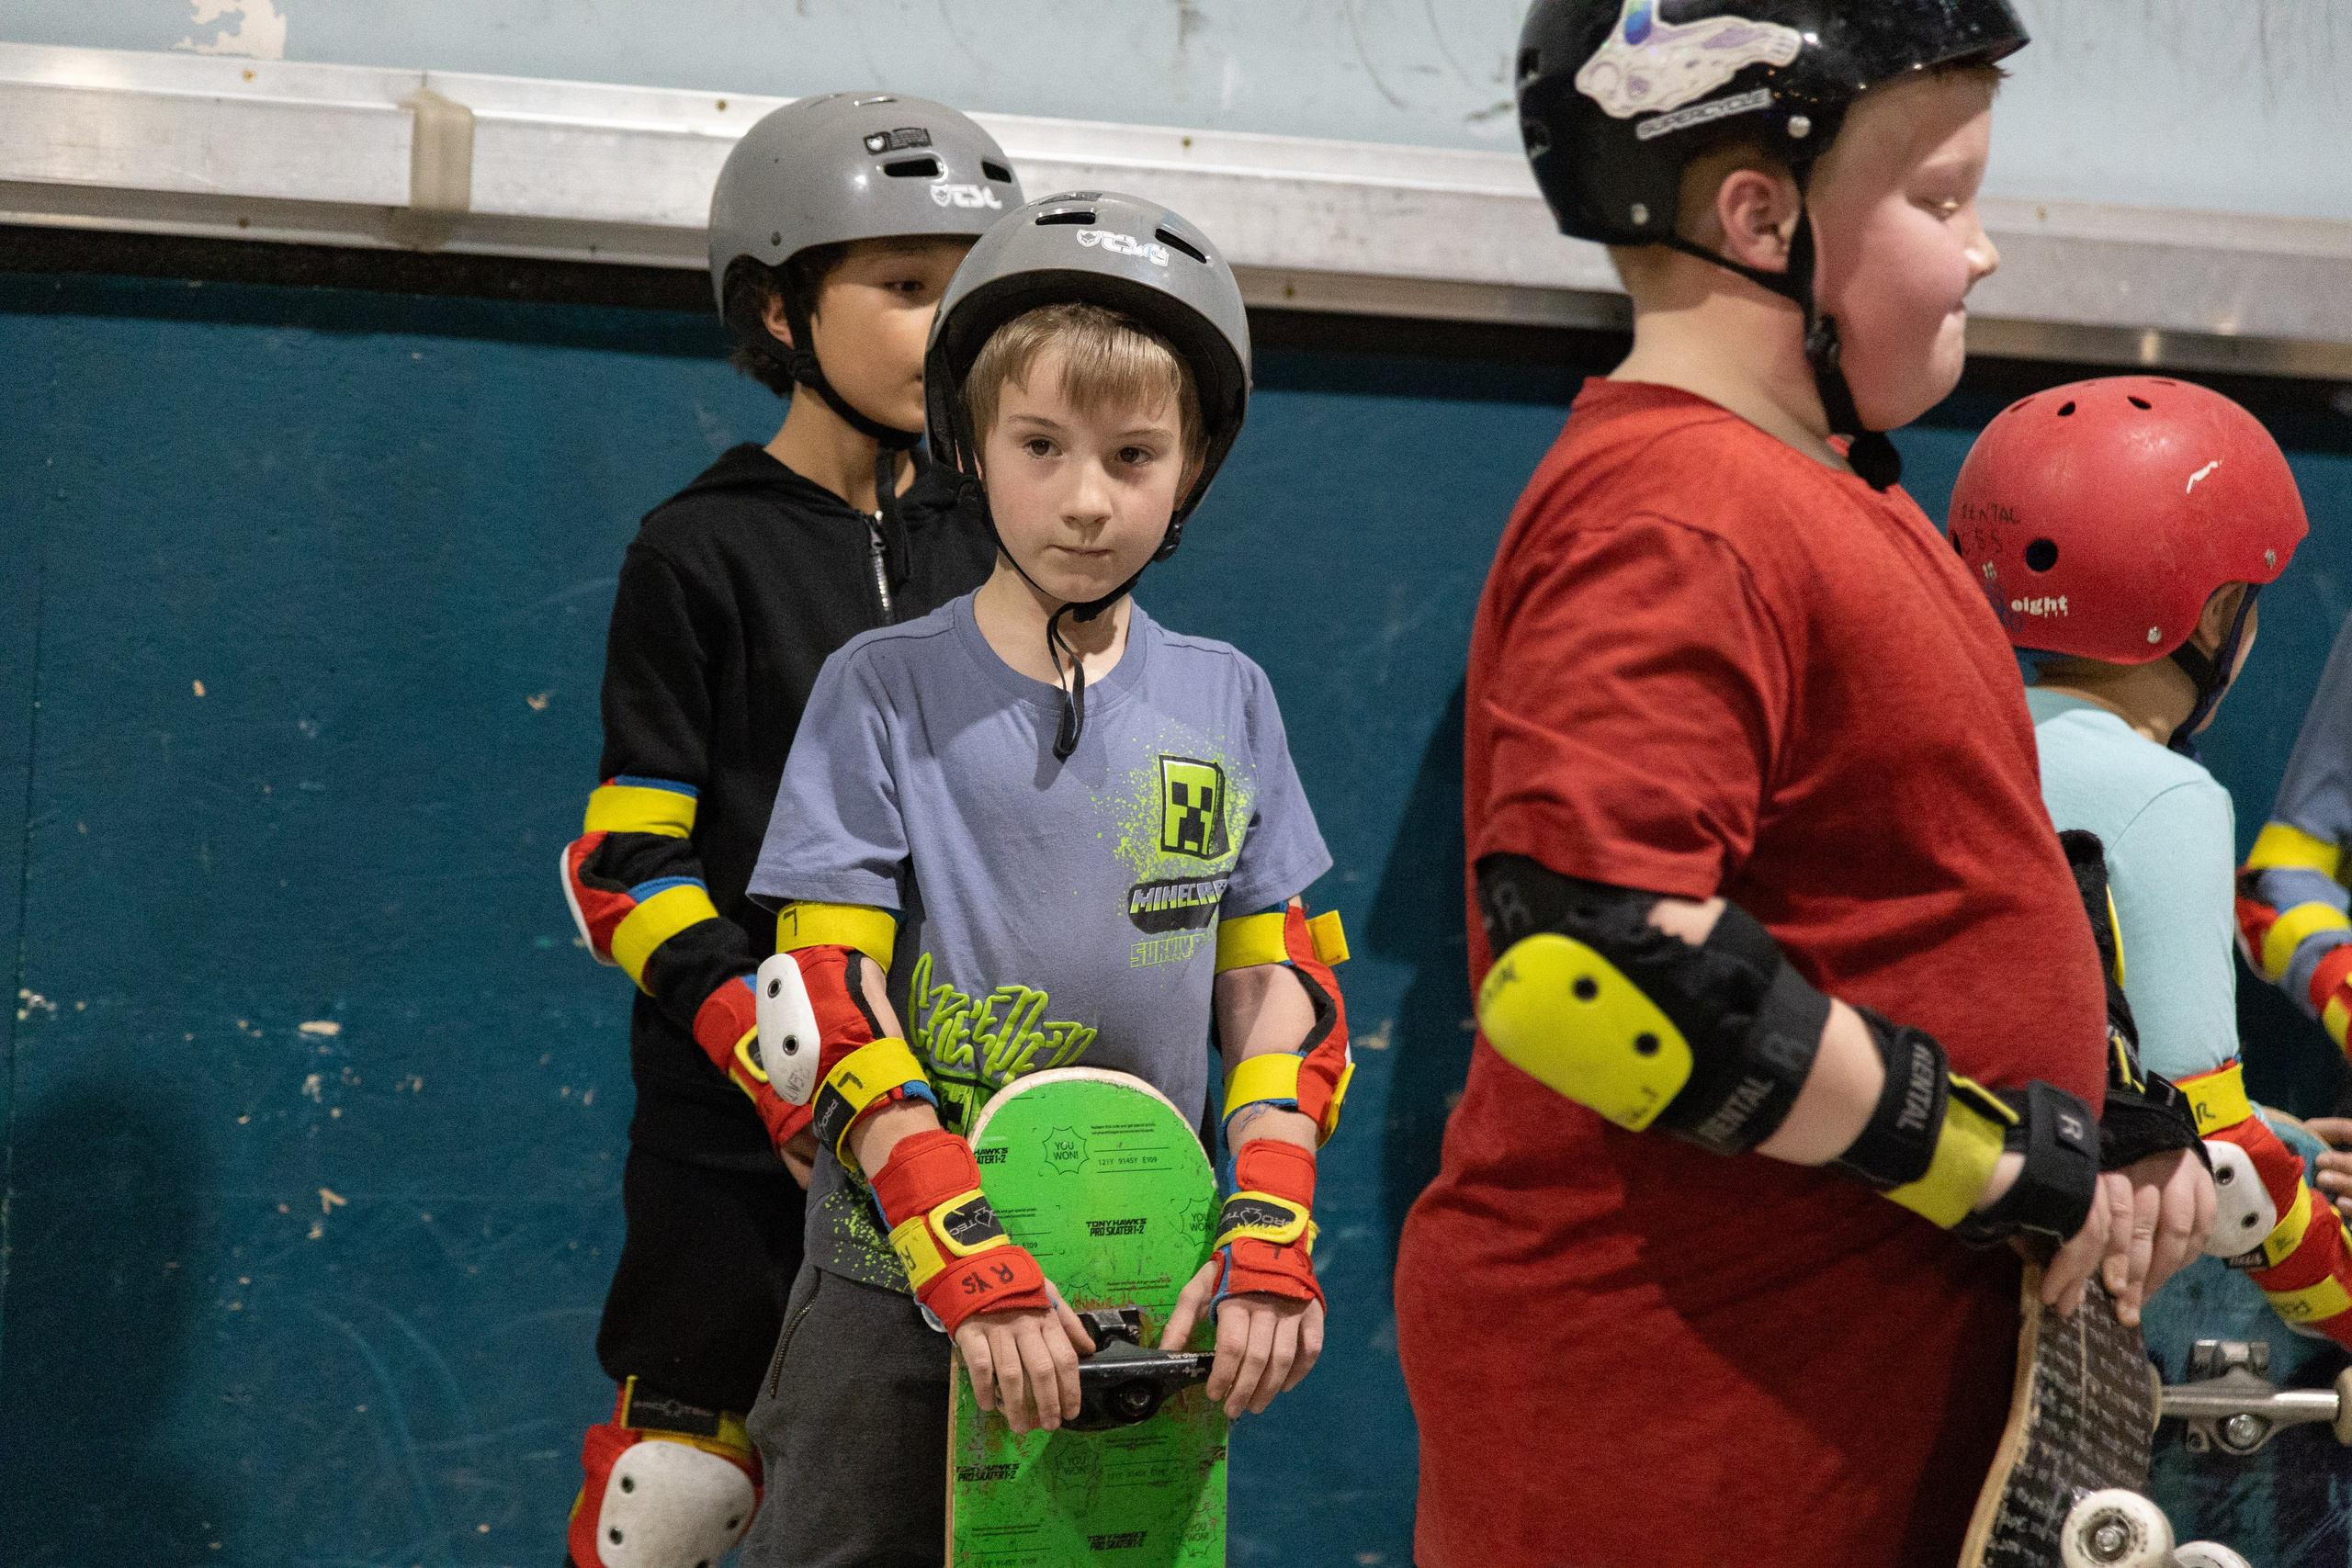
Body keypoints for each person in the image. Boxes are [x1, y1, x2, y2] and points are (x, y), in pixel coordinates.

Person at [1394, 5, 2211, 1566]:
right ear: (1757, 217)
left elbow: (1914, 881)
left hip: (1825, 1398)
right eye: (1944, 198)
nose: (1980, 255)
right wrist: (1996, 1162)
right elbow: (1590, 960)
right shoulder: (1679, 511)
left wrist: (2100, 1115)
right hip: (1668, 1424)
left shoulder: (1839, 493)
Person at [717, 190, 1352, 1567]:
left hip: (1136, 1283)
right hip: (896, 1283)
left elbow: (1284, 995)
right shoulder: (880, 690)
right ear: (971, 445)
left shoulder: (1228, 699)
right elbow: (828, 997)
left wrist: (1272, 1226)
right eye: (1040, 445)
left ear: (1194, 465)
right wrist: (964, 1254)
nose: (1084, 495)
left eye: (1134, 453)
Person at [555, 94, 1020, 1568]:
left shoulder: (1004, 541)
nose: (943, 326)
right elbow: (623, 868)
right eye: (901, 287)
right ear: (775, 306)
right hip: (740, 1138)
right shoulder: (702, 549)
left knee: (945, 1496)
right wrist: (774, 1060)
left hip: (956, 1112)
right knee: (679, 1497)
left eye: (965, 287)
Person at [1951, 377, 2352, 1345]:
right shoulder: (2168, 796)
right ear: (2213, 617)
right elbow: (2215, 1163)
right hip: (2082, 1290)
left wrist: (2280, 1131)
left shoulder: (1964, 729)